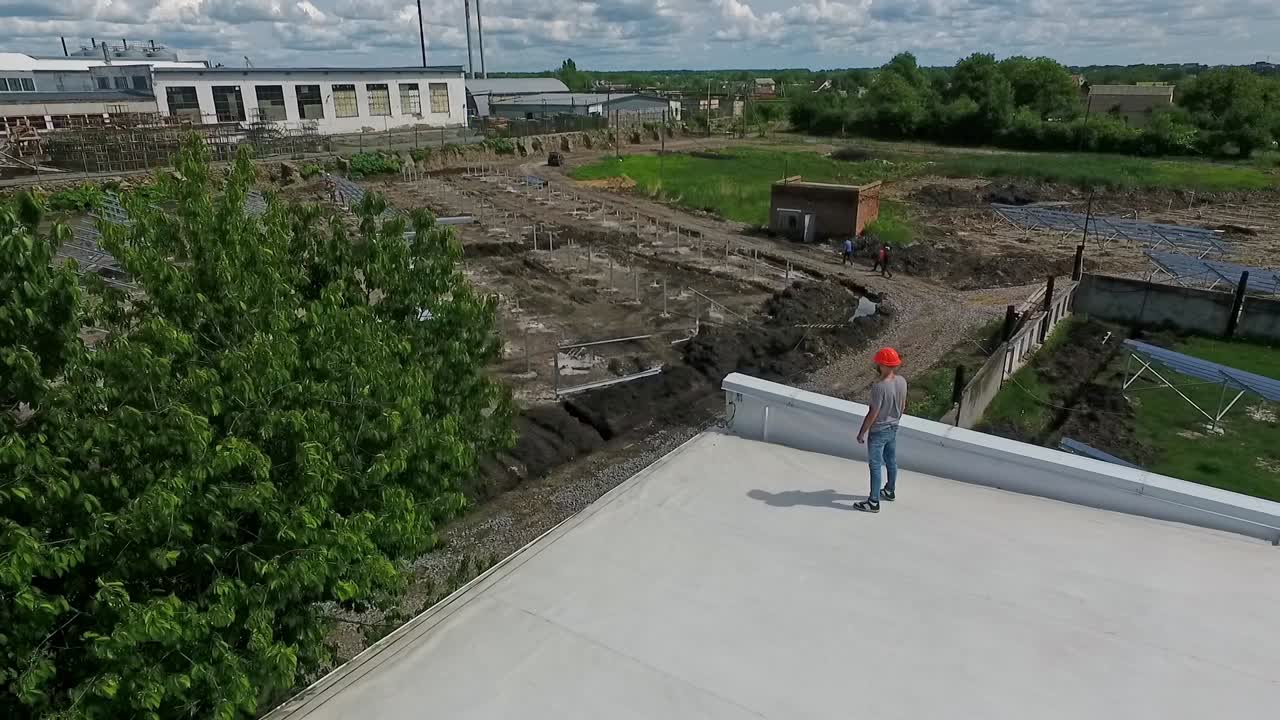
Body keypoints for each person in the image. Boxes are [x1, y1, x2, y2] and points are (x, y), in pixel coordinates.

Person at [854, 348, 907, 513]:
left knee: (875, 466)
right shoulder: (902, 381)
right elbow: (903, 405)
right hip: (893, 427)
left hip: (879, 431)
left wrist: (862, 432)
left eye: (878, 363)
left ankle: (873, 501)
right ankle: (890, 490)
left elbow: (873, 413)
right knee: (891, 461)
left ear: (883, 365)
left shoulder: (879, 387)